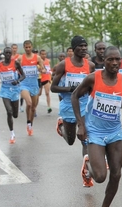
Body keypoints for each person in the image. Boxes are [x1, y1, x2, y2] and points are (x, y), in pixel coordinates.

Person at [71, 46, 122, 207]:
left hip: (114, 132)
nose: (114, 63)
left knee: (116, 173)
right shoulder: (93, 78)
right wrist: (80, 124)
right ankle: (88, 165)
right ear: (104, 61)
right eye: (110, 59)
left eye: (117, 60)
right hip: (94, 131)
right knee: (101, 176)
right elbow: (74, 96)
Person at [51, 35, 95, 187]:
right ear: (74, 48)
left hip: (84, 105)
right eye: (80, 46)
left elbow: (92, 85)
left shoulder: (90, 65)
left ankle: (87, 173)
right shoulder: (64, 65)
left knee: (85, 139)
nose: (83, 49)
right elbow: (53, 87)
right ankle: (61, 125)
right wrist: (69, 89)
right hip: (69, 105)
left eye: (85, 46)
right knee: (70, 141)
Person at [0, 47, 26, 143]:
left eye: (10, 53)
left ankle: (14, 116)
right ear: (4, 54)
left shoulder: (15, 63)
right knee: (9, 112)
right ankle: (12, 134)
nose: (8, 54)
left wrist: (17, 81)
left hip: (14, 90)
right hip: (5, 90)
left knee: (15, 115)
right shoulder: (0, 64)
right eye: (7, 53)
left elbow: (23, 76)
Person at [16, 40, 46, 136]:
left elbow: (44, 69)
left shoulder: (37, 57)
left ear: (31, 47)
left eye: (29, 47)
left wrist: (42, 69)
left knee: (33, 108)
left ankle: (30, 124)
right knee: (28, 103)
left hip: (34, 85)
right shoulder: (20, 58)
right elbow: (14, 68)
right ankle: (28, 122)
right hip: (24, 84)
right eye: (26, 47)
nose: (28, 49)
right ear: (24, 47)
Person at [38, 49, 52, 113]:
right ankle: (34, 108)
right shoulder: (38, 61)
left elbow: (49, 69)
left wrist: (50, 75)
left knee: (47, 93)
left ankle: (49, 107)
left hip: (46, 78)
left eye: (45, 54)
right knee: (38, 94)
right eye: (42, 54)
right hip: (40, 79)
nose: (44, 55)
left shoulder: (48, 61)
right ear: (40, 54)